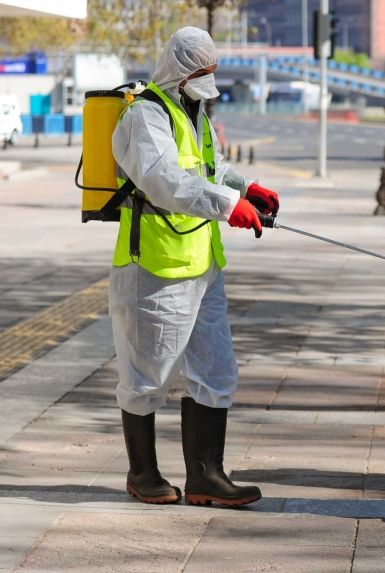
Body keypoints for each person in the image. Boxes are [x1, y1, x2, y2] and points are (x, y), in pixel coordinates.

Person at [109, 27, 280, 506]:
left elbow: (210, 167)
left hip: (202, 262)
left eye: (212, 72)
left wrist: (246, 188)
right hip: (155, 266)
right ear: (181, 71)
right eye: (202, 73)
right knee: (148, 374)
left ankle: (207, 477)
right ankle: (142, 474)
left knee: (215, 369)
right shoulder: (145, 116)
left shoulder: (194, 112)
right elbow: (163, 179)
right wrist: (228, 206)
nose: (209, 81)